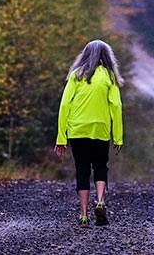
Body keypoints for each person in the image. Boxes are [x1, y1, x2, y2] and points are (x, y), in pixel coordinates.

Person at [54, 39, 124, 228]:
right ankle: (100, 202)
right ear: (106, 57)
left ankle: (84, 216)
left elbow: (65, 105)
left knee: (82, 170)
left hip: (78, 129)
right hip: (100, 128)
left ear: (84, 55)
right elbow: (116, 106)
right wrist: (118, 136)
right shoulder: (110, 77)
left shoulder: (76, 75)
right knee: (101, 166)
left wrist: (61, 138)